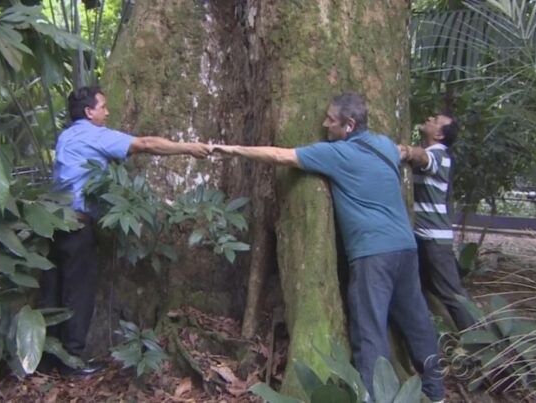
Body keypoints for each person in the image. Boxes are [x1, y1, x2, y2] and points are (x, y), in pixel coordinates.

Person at [212, 94, 444, 402]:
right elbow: (406, 152)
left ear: (349, 125)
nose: (324, 124)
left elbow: (282, 156)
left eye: (330, 120)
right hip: (405, 247)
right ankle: (436, 393)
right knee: (418, 323)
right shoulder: (385, 145)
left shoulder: (336, 154)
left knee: (369, 331)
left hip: (371, 254)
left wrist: (230, 148)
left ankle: (375, 397)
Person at [40, 86, 211, 376]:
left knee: (53, 290)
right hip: (76, 222)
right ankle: (72, 361)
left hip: (50, 221)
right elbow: (144, 143)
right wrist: (189, 148)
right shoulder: (94, 134)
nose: (107, 112)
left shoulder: (67, 135)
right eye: (103, 107)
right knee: (78, 292)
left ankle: (46, 359)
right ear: (88, 112)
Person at [398, 114, 476, 331]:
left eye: (436, 120)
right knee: (421, 289)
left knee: (451, 293)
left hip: (435, 240)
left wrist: (405, 151)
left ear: (439, 134)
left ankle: (480, 342)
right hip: (421, 237)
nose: (430, 118)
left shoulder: (439, 155)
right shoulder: (433, 154)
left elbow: (423, 158)